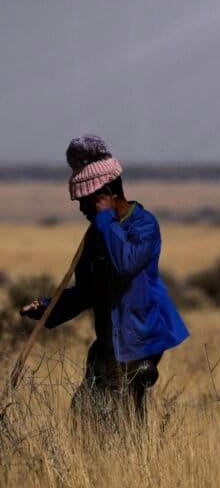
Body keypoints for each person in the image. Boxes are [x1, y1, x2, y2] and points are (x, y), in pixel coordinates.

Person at [19, 135, 189, 428]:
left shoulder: (143, 225)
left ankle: (129, 466)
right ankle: (120, 467)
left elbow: (126, 264)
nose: (82, 208)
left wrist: (106, 220)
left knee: (111, 414)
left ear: (108, 193)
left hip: (139, 339)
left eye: (87, 201)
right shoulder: (99, 233)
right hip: (111, 340)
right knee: (90, 412)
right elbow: (87, 293)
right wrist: (47, 309)